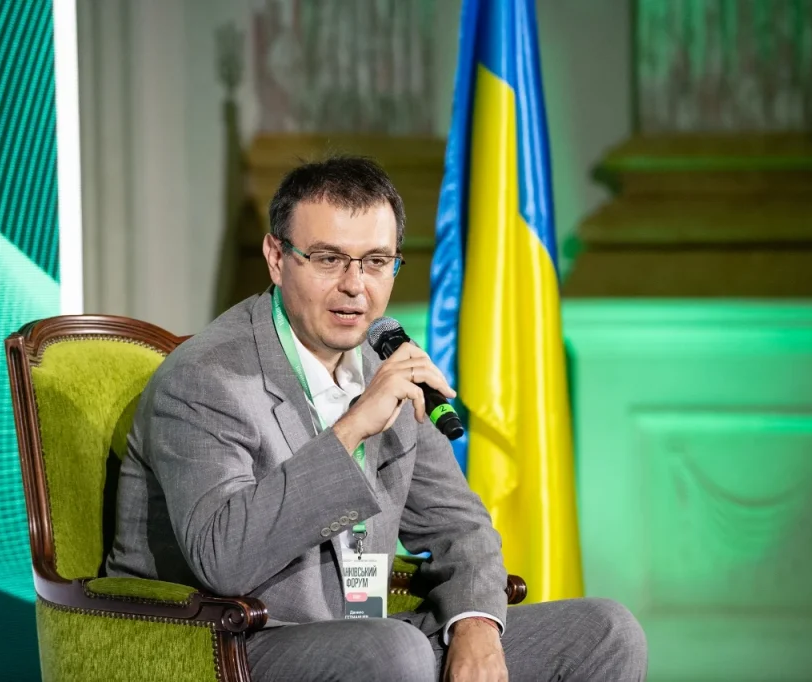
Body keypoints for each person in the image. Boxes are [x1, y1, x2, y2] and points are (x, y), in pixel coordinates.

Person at [106, 156, 647, 681]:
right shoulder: (206, 376)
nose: (355, 285)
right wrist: (354, 427)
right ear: (276, 257)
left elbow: (461, 526)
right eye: (328, 259)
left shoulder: (385, 367)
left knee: (606, 632)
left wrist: (476, 625)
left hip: (370, 634)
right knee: (393, 650)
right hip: (232, 643)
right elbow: (223, 560)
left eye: (376, 261)